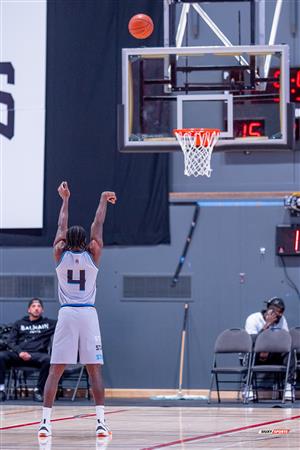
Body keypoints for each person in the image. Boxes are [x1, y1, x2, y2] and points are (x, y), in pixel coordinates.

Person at [38, 181, 117, 440]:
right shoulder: (93, 252)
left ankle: (45, 424)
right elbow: (97, 224)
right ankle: (101, 423)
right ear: (85, 241)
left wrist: (65, 200)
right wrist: (103, 199)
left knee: (55, 370)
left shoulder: (58, 254)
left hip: (67, 313)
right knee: (94, 369)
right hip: (87, 313)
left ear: (64, 241)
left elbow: (62, 225)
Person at [0, 298, 56, 401]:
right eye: (33, 306)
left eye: (39, 306)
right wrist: (20, 352)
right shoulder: (19, 323)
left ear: (42, 310)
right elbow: (10, 342)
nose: (36, 309)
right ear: (29, 310)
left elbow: (64, 324)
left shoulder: (49, 324)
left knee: (49, 360)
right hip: (19, 355)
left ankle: (38, 391)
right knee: (1, 356)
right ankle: (1, 390)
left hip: (37, 356)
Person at [245, 297, 294, 401]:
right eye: (276, 311)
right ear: (268, 309)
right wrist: (267, 325)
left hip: (273, 353)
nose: (279, 315)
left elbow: (285, 341)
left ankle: (288, 386)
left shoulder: (282, 320)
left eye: (281, 312)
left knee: (289, 349)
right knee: (250, 353)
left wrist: (269, 349)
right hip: (256, 354)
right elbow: (251, 343)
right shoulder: (253, 319)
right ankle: (247, 387)